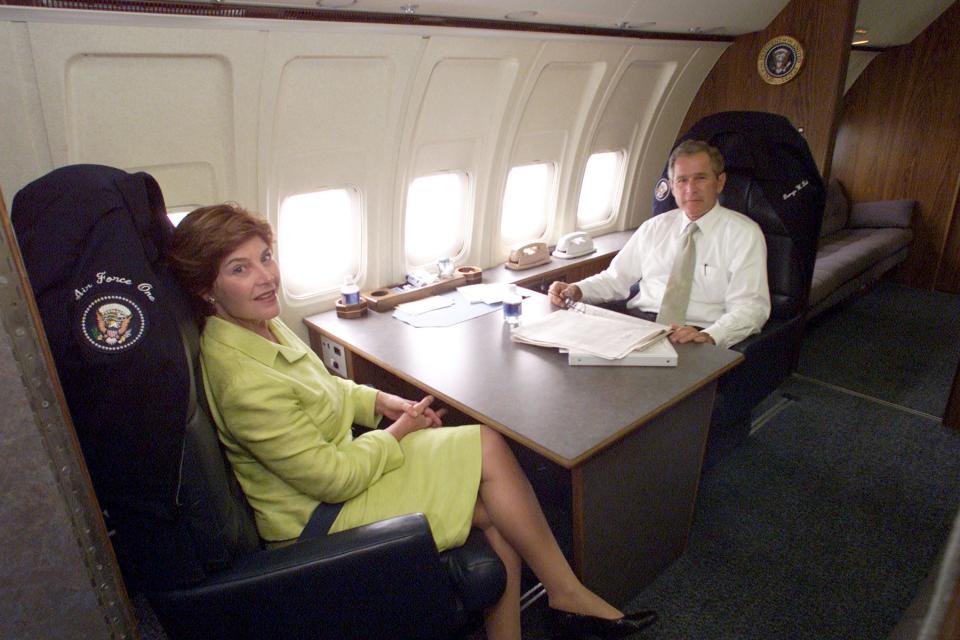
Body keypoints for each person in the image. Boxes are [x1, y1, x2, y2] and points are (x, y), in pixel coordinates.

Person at [166, 203, 656, 640]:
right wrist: (398, 433)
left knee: (492, 497)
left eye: (265, 257)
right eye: (240, 268)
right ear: (207, 290)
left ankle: (555, 600)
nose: (265, 277)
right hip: (317, 515)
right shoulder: (240, 379)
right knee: (487, 463)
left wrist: (381, 402)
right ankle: (566, 593)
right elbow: (333, 479)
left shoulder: (261, 324)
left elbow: (324, 388)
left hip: (339, 473)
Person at [548, 140, 770, 349]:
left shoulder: (744, 234)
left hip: (696, 333)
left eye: (700, 178)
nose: (690, 189)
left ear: (720, 182)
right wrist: (577, 289)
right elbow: (615, 279)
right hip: (639, 327)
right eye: (682, 180)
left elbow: (751, 307)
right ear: (672, 187)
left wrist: (711, 336)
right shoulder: (653, 228)